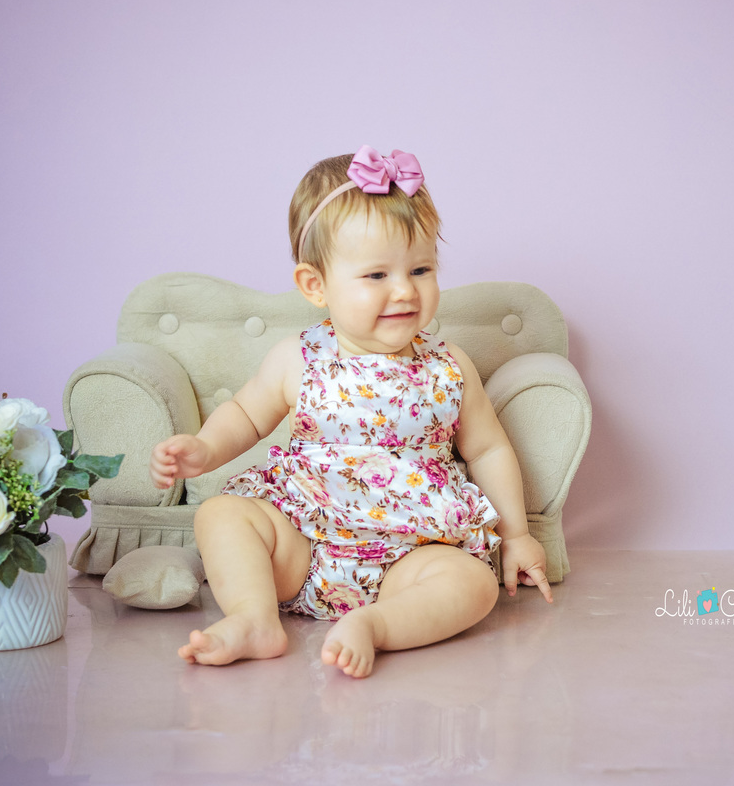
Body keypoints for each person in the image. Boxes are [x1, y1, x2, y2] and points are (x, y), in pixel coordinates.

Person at [150, 146, 553, 678]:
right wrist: (204, 448)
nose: (405, 289)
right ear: (315, 286)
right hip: (303, 541)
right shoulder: (299, 357)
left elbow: (486, 447)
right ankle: (255, 618)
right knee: (219, 515)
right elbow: (246, 416)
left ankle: (377, 625)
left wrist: (519, 535)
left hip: (411, 551)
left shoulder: (449, 366)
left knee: (472, 585)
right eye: (376, 275)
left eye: (421, 268)